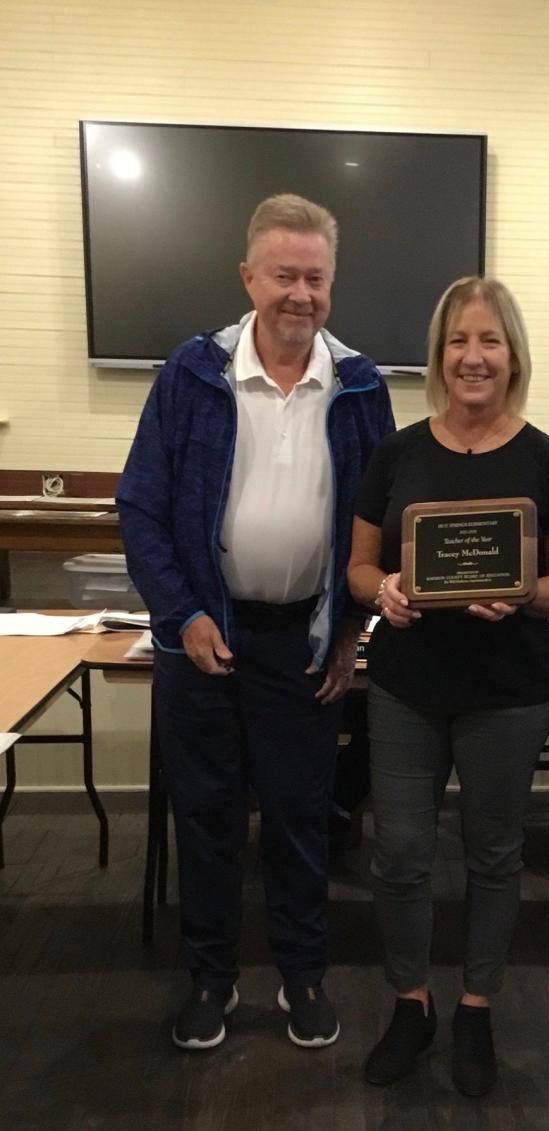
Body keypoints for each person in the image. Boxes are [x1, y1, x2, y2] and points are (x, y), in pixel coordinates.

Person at [117, 194, 395, 1051]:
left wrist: (351, 629)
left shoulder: (360, 386)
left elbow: (375, 524)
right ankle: (210, 982)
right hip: (203, 638)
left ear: (332, 284)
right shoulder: (191, 375)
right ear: (248, 277)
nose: (299, 294)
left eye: (315, 278)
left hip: (305, 641)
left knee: (301, 817)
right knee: (204, 817)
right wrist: (184, 613)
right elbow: (141, 508)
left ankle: (303, 979)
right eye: (284, 275)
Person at [348, 276, 549, 1097]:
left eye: (489, 341)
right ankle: (411, 1005)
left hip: (509, 692)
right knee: (401, 855)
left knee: (494, 855)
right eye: (458, 341)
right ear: (439, 355)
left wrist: (522, 593)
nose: (473, 356)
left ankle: (476, 1007)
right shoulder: (397, 453)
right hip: (406, 685)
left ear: (512, 354)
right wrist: (380, 590)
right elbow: (358, 566)